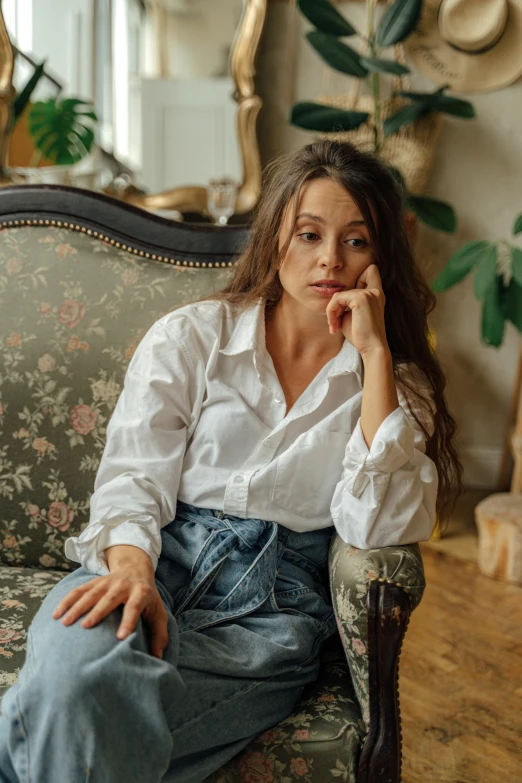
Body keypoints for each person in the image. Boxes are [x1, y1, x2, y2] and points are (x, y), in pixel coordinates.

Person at [0, 139, 463, 782]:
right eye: (308, 234)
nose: (330, 258)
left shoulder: (395, 391)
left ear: (381, 258)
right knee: (78, 678)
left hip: (271, 613)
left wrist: (377, 356)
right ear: (275, 239)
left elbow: (377, 529)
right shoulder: (191, 338)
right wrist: (132, 573)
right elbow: (133, 476)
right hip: (156, 558)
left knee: (73, 714)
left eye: (356, 241)